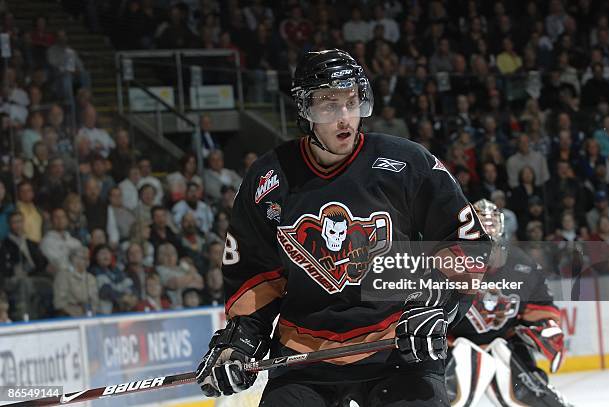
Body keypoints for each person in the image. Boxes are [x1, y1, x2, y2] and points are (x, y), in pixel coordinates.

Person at [195, 49, 490, 406]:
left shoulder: (407, 163)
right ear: (305, 111)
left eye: (351, 102)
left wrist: (437, 305)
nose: (344, 118)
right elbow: (255, 274)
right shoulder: (270, 179)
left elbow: (467, 244)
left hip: (397, 347)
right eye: (328, 106)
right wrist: (240, 339)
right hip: (305, 355)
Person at [446, 200, 570, 407]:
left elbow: (540, 306)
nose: (487, 229)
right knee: (444, 395)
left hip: (504, 344)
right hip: (454, 346)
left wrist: (546, 326)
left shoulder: (523, 265)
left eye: (491, 223)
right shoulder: (445, 261)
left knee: (537, 398)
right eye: (481, 224)